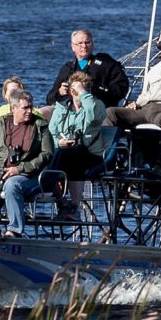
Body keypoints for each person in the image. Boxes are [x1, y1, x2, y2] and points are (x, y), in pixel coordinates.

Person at [0, 91, 56, 237]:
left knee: (12, 185)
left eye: (30, 107)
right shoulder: (0, 127)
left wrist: (19, 169)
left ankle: (14, 230)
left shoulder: (40, 126)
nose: (29, 111)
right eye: (25, 108)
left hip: (30, 175)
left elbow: (47, 154)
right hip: (1, 174)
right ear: (13, 108)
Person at [46, 72, 108, 218]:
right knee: (52, 155)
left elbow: (93, 117)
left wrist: (83, 93)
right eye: (78, 90)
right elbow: (51, 133)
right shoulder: (62, 108)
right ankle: (63, 202)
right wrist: (59, 142)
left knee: (72, 156)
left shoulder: (96, 105)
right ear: (72, 92)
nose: (82, 93)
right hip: (63, 152)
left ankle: (73, 206)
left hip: (91, 153)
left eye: (86, 89)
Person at [51, 29, 131, 108]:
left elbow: (122, 88)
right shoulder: (68, 68)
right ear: (73, 47)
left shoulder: (105, 63)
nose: (84, 46)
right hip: (70, 109)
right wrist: (60, 93)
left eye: (87, 42)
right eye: (80, 43)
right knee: (45, 111)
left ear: (92, 45)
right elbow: (50, 98)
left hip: (99, 108)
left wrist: (95, 88)